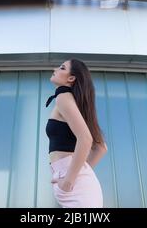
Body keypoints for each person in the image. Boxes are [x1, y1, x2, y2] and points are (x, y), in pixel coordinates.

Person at [45, 58, 108, 208]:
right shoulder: (72, 102)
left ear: (71, 78)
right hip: (78, 184)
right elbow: (101, 147)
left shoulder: (63, 98)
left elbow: (86, 139)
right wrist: (76, 174)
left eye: (61, 68)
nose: (55, 69)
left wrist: (68, 181)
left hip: (74, 185)